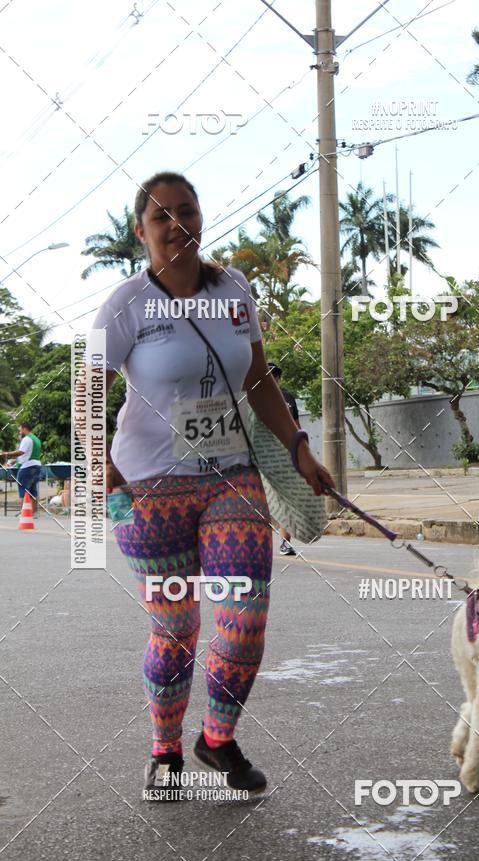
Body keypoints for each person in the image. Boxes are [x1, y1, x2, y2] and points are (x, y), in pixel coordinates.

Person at [92, 171, 334, 800]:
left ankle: (217, 739)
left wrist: (299, 447)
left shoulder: (234, 290)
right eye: (161, 217)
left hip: (232, 475)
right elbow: (85, 387)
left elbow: (257, 379)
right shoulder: (124, 305)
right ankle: (166, 751)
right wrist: (102, 465)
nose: (177, 225)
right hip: (148, 486)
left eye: (187, 211)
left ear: (201, 217)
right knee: (176, 628)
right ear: (141, 232)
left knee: (245, 614)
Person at [267, 362, 300, 556]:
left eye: (276, 375)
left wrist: (303, 451)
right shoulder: (253, 398)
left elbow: (296, 425)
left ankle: (285, 542)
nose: (274, 379)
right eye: (269, 375)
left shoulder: (288, 398)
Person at [0, 422, 42, 515]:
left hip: (27, 467)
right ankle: (34, 513)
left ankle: (24, 511)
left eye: (20, 430)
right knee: (33, 490)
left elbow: (20, 452)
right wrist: (15, 461)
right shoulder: (36, 439)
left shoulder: (27, 439)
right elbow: (27, 454)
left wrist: (6, 453)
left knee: (23, 488)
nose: (20, 432)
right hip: (37, 466)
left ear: (24, 429)